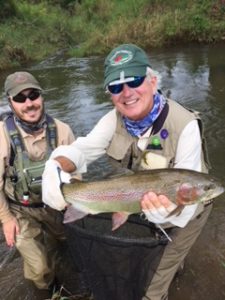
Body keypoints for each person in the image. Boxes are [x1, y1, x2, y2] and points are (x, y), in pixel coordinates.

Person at [42, 44, 213, 300]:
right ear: (110, 94)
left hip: (187, 214)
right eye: (116, 87)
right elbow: (83, 150)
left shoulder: (185, 125)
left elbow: (187, 204)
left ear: (153, 81)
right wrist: (56, 164)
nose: (126, 93)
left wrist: (168, 212)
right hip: (138, 199)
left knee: (153, 284)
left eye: (134, 80)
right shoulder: (114, 118)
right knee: (150, 257)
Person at [0, 71, 75, 297]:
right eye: (20, 98)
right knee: (40, 268)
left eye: (33, 95)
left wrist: (76, 206)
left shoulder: (63, 130)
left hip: (56, 207)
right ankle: (49, 291)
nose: (29, 103)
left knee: (69, 247)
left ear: (42, 97)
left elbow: (76, 175)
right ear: (11, 103)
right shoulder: (2, 136)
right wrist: (6, 219)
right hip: (19, 209)